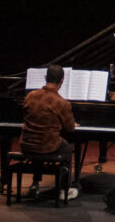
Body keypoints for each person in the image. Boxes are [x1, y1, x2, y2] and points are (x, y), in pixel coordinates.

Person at [20, 64, 79, 200]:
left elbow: (25, 115)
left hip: (26, 145)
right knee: (67, 149)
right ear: (62, 80)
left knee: (40, 139)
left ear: (45, 77)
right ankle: (65, 190)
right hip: (47, 146)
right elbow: (70, 129)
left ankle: (35, 184)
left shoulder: (30, 96)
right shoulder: (62, 103)